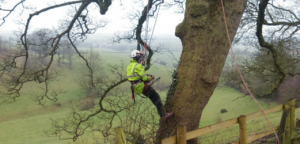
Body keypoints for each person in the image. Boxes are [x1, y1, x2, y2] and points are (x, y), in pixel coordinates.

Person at [127, 50, 173, 121]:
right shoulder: (138, 66)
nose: (141, 59)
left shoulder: (129, 66)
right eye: (140, 57)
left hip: (136, 87)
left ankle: (162, 111)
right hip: (142, 86)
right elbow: (144, 78)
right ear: (138, 57)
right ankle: (163, 115)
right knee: (156, 97)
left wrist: (144, 79)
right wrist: (150, 78)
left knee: (153, 98)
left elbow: (133, 77)